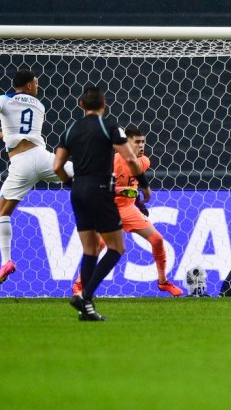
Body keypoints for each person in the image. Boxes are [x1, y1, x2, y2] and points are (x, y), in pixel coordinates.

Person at [54, 85, 151, 321]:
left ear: (81, 105)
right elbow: (130, 158)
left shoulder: (71, 130)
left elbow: (57, 167)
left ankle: (86, 307)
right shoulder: (109, 127)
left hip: (78, 192)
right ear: (104, 104)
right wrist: (144, 185)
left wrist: (70, 184)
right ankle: (85, 295)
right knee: (116, 248)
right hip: (100, 191)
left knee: (90, 250)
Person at [0, 69, 74, 286]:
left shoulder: (3, 99)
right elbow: (19, 131)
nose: (38, 86)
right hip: (42, 158)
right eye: (37, 83)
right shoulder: (39, 106)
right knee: (82, 173)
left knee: (2, 212)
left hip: (21, 164)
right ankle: (114, 184)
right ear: (30, 86)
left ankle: (6, 261)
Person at [71, 125, 183, 297]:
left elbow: (133, 186)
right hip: (110, 210)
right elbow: (98, 187)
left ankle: (163, 282)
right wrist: (121, 191)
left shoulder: (144, 162)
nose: (141, 146)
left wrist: (138, 203)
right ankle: (80, 285)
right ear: (127, 143)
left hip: (128, 209)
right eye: (137, 142)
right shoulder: (112, 162)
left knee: (157, 240)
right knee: (99, 245)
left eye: (143, 142)